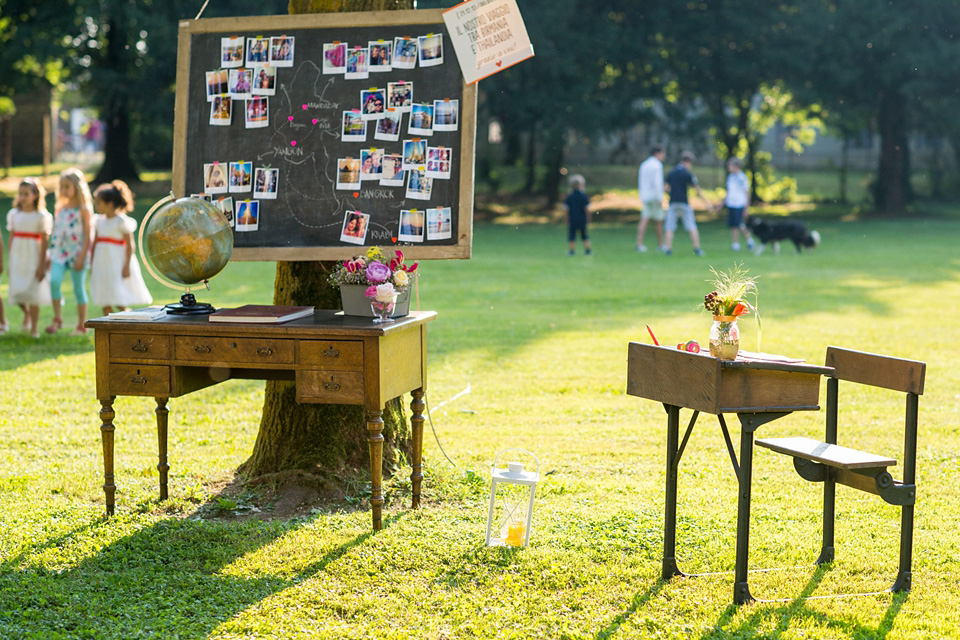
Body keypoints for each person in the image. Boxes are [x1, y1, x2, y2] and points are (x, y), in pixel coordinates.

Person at [89, 181, 152, 315]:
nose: (96, 206)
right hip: (102, 263)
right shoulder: (98, 221)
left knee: (118, 294)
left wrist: (126, 266)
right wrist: (92, 261)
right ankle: (107, 323)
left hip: (116, 263)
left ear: (109, 204)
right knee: (105, 296)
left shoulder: (121, 222)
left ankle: (126, 319)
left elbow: (130, 245)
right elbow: (95, 242)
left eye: (98, 202)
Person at [46, 168, 94, 335]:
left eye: (67, 186)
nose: (63, 190)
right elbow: (56, 232)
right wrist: (49, 253)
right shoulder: (60, 207)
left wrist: (82, 257)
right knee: (54, 281)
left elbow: (88, 234)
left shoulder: (84, 209)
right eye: (61, 186)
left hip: (77, 254)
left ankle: (81, 326)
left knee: (78, 288)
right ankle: (58, 318)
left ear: (77, 187)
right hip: (59, 252)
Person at [6, 178, 53, 336]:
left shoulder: (41, 216)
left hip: (33, 255)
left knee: (33, 292)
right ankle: (25, 313)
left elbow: (45, 241)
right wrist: (10, 259)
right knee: (17, 290)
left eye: (26, 193)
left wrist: (41, 265)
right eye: (20, 194)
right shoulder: (14, 215)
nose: (23, 197)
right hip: (18, 256)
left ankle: (34, 327)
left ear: (35, 195)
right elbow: (12, 237)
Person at [663, 151, 708, 256]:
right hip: (684, 202)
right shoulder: (688, 174)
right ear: (688, 162)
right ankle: (697, 248)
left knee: (669, 226)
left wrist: (671, 193)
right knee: (691, 225)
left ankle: (668, 249)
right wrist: (706, 203)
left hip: (673, 202)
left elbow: (665, 187)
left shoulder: (671, 172)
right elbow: (697, 190)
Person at [716, 157, 755, 251]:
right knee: (733, 224)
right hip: (731, 204)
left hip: (739, 204)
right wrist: (721, 204)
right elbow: (729, 192)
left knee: (739, 224)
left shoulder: (742, 177)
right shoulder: (730, 177)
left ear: (736, 166)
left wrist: (747, 207)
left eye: (730, 165)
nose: (729, 167)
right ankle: (736, 244)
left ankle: (749, 240)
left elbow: (747, 192)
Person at [636, 144, 667, 252]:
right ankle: (661, 244)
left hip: (645, 196)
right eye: (662, 153)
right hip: (654, 196)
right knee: (659, 220)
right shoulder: (657, 165)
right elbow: (657, 183)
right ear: (657, 153)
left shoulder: (644, 164)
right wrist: (660, 197)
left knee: (644, 219)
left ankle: (639, 244)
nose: (664, 156)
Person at [563, 174, 592, 256]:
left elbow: (566, 209)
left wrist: (566, 218)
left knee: (572, 235)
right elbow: (586, 209)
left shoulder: (569, 196)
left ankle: (571, 251)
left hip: (572, 218)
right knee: (584, 235)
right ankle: (588, 251)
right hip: (582, 219)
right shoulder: (584, 196)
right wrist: (588, 217)